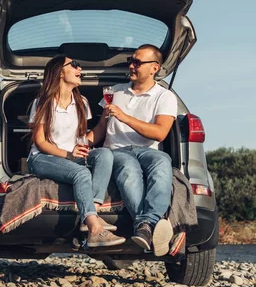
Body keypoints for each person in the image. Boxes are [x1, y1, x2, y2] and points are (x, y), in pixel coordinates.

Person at [28, 55, 124, 248]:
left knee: (105, 154)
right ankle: (95, 230)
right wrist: (69, 155)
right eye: (74, 65)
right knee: (81, 173)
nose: (79, 68)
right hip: (43, 157)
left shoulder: (81, 102)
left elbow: (88, 138)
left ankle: (91, 215)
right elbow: (39, 142)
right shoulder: (43, 102)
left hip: (71, 157)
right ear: (59, 72)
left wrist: (105, 118)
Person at [99, 44, 176, 256]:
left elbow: (160, 133)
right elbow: (99, 130)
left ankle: (145, 225)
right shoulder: (114, 91)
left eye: (137, 62)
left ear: (154, 68)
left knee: (162, 162)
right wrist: (79, 144)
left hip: (147, 150)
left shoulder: (165, 96)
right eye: (130, 61)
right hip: (116, 150)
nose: (131, 66)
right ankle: (148, 227)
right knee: (128, 169)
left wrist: (125, 117)